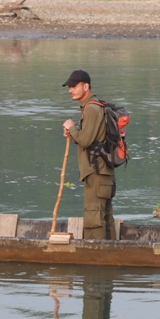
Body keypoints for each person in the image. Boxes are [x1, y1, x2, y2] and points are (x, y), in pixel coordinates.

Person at [61, 70, 116, 240]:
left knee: (94, 219)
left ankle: (98, 259)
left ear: (86, 86)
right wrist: (75, 132)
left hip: (96, 173)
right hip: (103, 173)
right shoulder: (96, 106)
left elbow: (85, 141)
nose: (71, 90)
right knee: (104, 217)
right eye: (69, 87)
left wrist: (71, 127)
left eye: (74, 86)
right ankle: (109, 256)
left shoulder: (92, 108)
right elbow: (92, 139)